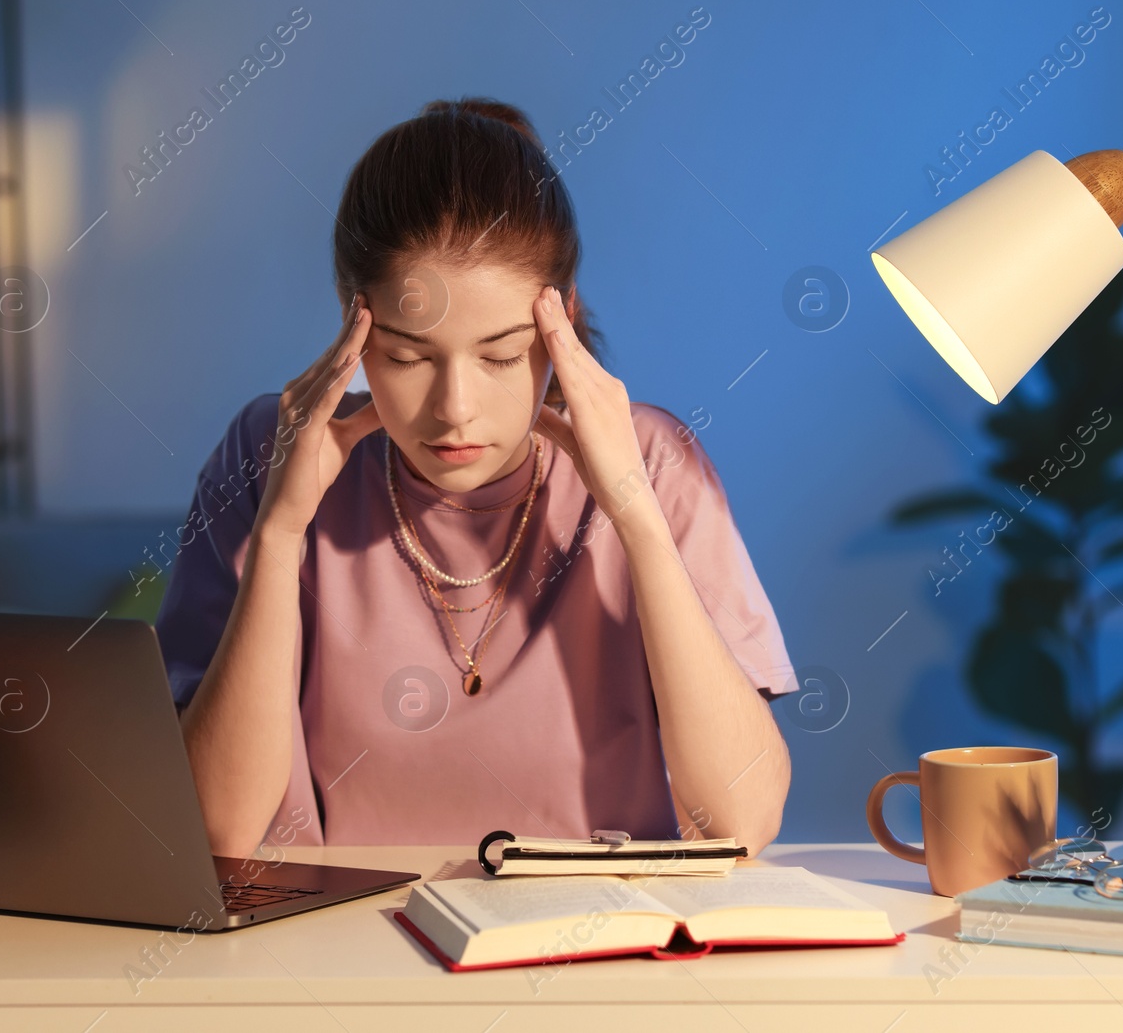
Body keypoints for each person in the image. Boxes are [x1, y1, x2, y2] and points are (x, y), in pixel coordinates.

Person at [156, 97, 798, 860]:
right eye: (407, 356)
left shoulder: (654, 460)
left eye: (499, 356)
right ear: (351, 326)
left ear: (560, 322)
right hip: (331, 962)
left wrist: (634, 513)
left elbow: (745, 820)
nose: (454, 409)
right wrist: (281, 531)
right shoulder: (270, 453)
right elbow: (217, 830)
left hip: (597, 953)